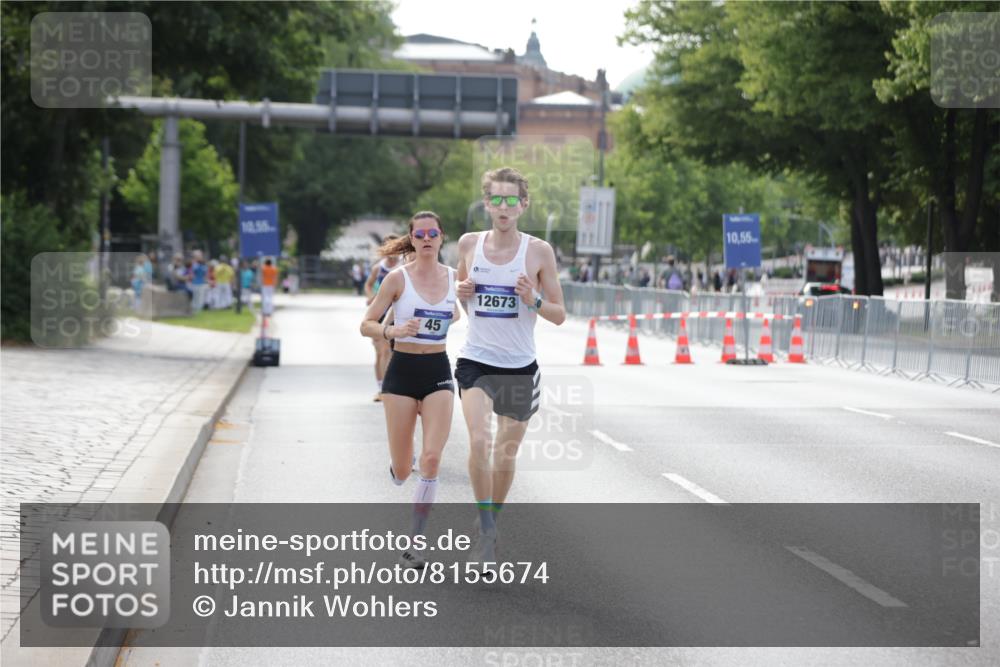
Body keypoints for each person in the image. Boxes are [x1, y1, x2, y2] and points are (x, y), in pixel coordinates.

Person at [455, 167, 566, 562]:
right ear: (486, 203)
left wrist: (532, 299)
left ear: (523, 205)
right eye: (496, 200)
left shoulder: (538, 252)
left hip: (520, 366)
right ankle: (485, 531)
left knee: (505, 452)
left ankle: (490, 521)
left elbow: (559, 314)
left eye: (511, 200)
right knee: (480, 440)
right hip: (476, 360)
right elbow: (463, 300)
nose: (503, 207)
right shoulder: (469, 244)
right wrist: (460, 291)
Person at [360, 212, 459, 569]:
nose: (428, 238)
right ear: (412, 239)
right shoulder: (397, 279)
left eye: (434, 232)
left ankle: (415, 543)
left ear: (442, 237)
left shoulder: (455, 278)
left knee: (431, 458)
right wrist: (393, 332)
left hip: (437, 371)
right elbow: (366, 324)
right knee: (404, 471)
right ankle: (400, 468)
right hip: (401, 374)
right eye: (421, 234)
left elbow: (462, 313)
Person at [364, 237, 404, 402]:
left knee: (392, 352)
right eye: (389, 248)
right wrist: (371, 297)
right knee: (382, 351)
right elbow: (368, 284)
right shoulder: (377, 268)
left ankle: (391, 386)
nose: (393, 252)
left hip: (396, 312)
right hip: (379, 313)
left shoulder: (403, 267)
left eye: (396, 248)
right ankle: (382, 388)